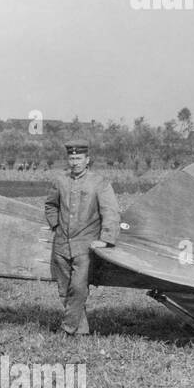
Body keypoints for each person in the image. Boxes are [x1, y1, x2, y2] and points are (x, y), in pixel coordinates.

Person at [44, 139, 120, 336]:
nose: (75, 162)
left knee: (78, 288)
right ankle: (82, 330)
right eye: (71, 158)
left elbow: (111, 212)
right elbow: (50, 205)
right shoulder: (60, 180)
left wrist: (105, 239)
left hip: (85, 246)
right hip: (61, 244)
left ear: (88, 159)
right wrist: (55, 224)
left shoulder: (100, 183)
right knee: (64, 289)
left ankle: (67, 328)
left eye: (79, 158)